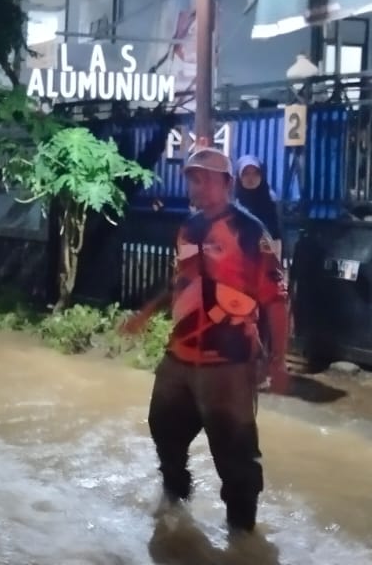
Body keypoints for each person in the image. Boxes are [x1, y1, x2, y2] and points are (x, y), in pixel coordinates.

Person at [120, 147, 289, 534]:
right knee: (163, 429)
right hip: (179, 357)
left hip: (228, 365)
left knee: (236, 459)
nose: (196, 183)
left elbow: (276, 300)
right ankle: (174, 505)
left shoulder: (249, 232)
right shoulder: (188, 228)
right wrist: (146, 313)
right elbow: (181, 283)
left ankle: (242, 541)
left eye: (205, 177)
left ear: (227, 183)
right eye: (191, 177)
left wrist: (278, 361)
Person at [233, 155, 282, 256]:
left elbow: (276, 235)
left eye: (256, 173)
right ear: (239, 176)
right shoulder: (231, 200)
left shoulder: (269, 200)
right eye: (246, 173)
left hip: (263, 257)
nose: (251, 178)